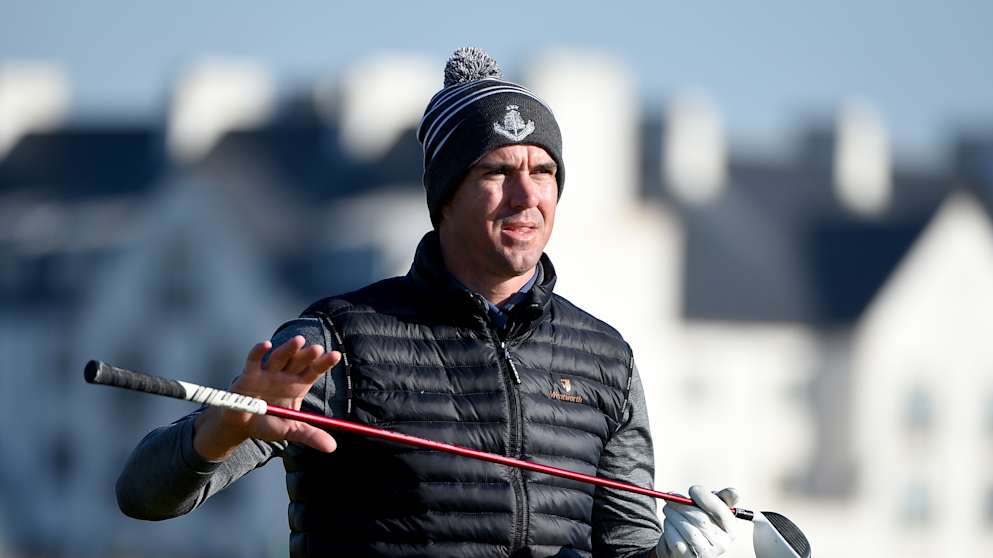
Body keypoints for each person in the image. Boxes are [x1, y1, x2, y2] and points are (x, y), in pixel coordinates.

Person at [117, 47, 739, 558]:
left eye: (543, 171)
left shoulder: (607, 358)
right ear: (445, 196)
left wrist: (673, 556)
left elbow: (626, 548)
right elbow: (142, 496)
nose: (527, 196)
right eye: (496, 172)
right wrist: (222, 426)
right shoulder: (336, 342)